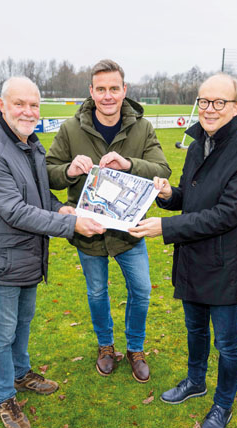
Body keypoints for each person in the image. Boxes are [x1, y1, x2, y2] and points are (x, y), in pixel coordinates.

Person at [129, 73, 237, 428]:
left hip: (224, 265)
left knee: (226, 342)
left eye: (219, 102)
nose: (209, 109)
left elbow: (227, 214)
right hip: (191, 258)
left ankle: (223, 402)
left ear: (236, 107)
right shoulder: (196, 144)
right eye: (204, 101)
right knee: (194, 329)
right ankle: (195, 380)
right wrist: (167, 195)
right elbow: (192, 200)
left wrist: (167, 227)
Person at [0, 77, 104, 428]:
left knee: (23, 323)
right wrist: (71, 226)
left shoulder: (30, 145)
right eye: (19, 104)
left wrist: (62, 210)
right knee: (2, 332)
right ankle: (4, 397)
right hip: (1, 260)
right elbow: (13, 210)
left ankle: (20, 371)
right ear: (2, 105)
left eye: (34, 105)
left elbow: (38, 199)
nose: (28, 111)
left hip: (28, 255)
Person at [45, 59, 171, 382]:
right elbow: (47, 174)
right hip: (89, 231)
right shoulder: (71, 129)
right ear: (91, 91)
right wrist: (70, 170)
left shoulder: (141, 128)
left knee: (141, 290)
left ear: (124, 90)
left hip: (128, 230)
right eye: (100, 89)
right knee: (97, 292)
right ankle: (105, 346)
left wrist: (129, 164)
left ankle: (135, 347)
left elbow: (163, 169)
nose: (108, 95)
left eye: (114, 88)